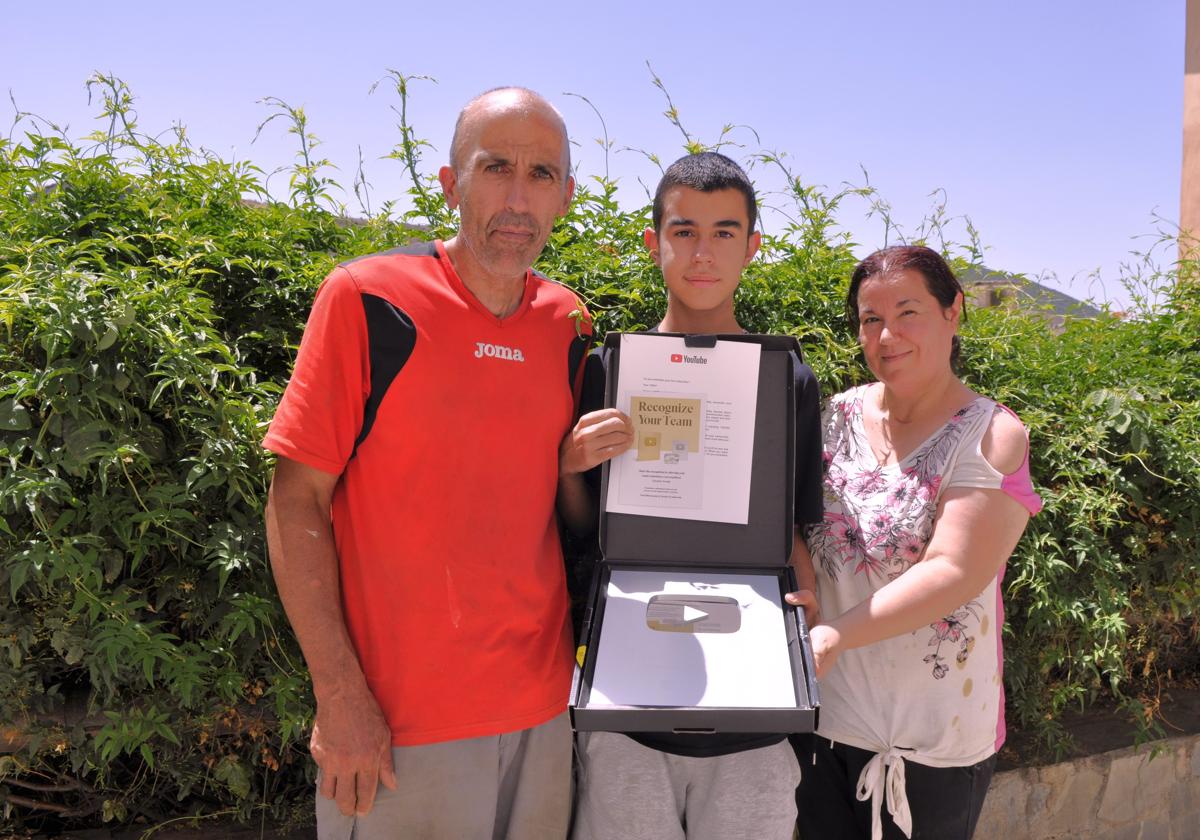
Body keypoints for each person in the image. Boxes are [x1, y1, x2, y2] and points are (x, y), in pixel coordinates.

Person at [262, 87, 590, 840]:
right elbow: (295, 500)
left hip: (543, 714)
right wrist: (339, 696)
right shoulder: (367, 298)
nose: (517, 198)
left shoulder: (568, 324)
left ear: (566, 197)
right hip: (396, 730)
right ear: (451, 183)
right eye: (495, 167)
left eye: (541, 175)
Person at [558, 151, 825, 840]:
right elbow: (587, 529)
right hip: (628, 712)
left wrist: (805, 611)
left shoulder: (787, 377)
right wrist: (568, 467)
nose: (702, 253)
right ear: (653, 243)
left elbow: (791, 525)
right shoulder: (608, 367)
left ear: (753, 246)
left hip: (753, 727)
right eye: (683, 231)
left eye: (725, 232)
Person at [786, 245, 1043, 840]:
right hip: (829, 720)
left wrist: (835, 633)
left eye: (907, 313)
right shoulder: (835, 417)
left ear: (953, 312)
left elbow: (953, 570)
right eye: (870, 319)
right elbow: (794, 524)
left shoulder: (990, 436)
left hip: (934, 740)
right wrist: (803, 587)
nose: (886, 336)